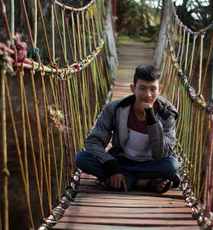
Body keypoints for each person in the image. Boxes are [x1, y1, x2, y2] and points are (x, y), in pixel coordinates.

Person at [75, 65, 180, 193]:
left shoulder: (167, 114)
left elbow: (162, 154)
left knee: (171, 165)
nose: (148, 95)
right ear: (133, 88)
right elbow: (93, 142)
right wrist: (112, 166)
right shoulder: (115, 108)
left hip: (151, 164)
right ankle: (144, 183)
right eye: (142, 88)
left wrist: (151, 119)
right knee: (81, 158)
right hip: (121, 161)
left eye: (153, 89)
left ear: (160, 90)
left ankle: (121, 180)